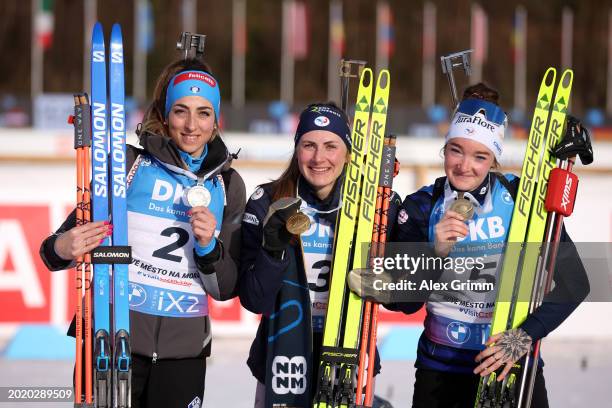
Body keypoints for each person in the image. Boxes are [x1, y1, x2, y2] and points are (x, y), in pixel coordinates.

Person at [352, 83, 590, 408]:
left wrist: (522, 337)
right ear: (444, 148)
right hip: (441, 368)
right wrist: (434, 253)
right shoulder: (422, 206)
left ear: (493, 158)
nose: (465, 166)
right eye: (456, 151)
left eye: (480, 156)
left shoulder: (522, 200)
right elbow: (404, 303)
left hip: (510, 365)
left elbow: (575, 283)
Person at [40, 58, 245, 408]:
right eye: (181, 111)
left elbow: (225, 288)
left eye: (203, 113)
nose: (191, 125)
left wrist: (209, 247)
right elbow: (52, 252)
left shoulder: (227, 185)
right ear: (165, 116)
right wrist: (64, 246)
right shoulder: (127, 164)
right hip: (110, 342)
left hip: (183, 355)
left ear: (216, 121)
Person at [238, 102, 401, 407]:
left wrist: (388, 280)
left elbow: (406, 296)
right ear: (296, 149)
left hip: (351, 347)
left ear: (347, 152)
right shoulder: (268, 201)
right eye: (308, 145)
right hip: (281, 348)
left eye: (330, 146)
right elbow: (254, 300)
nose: (319, 158)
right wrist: (273, 250)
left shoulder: (377, 207)